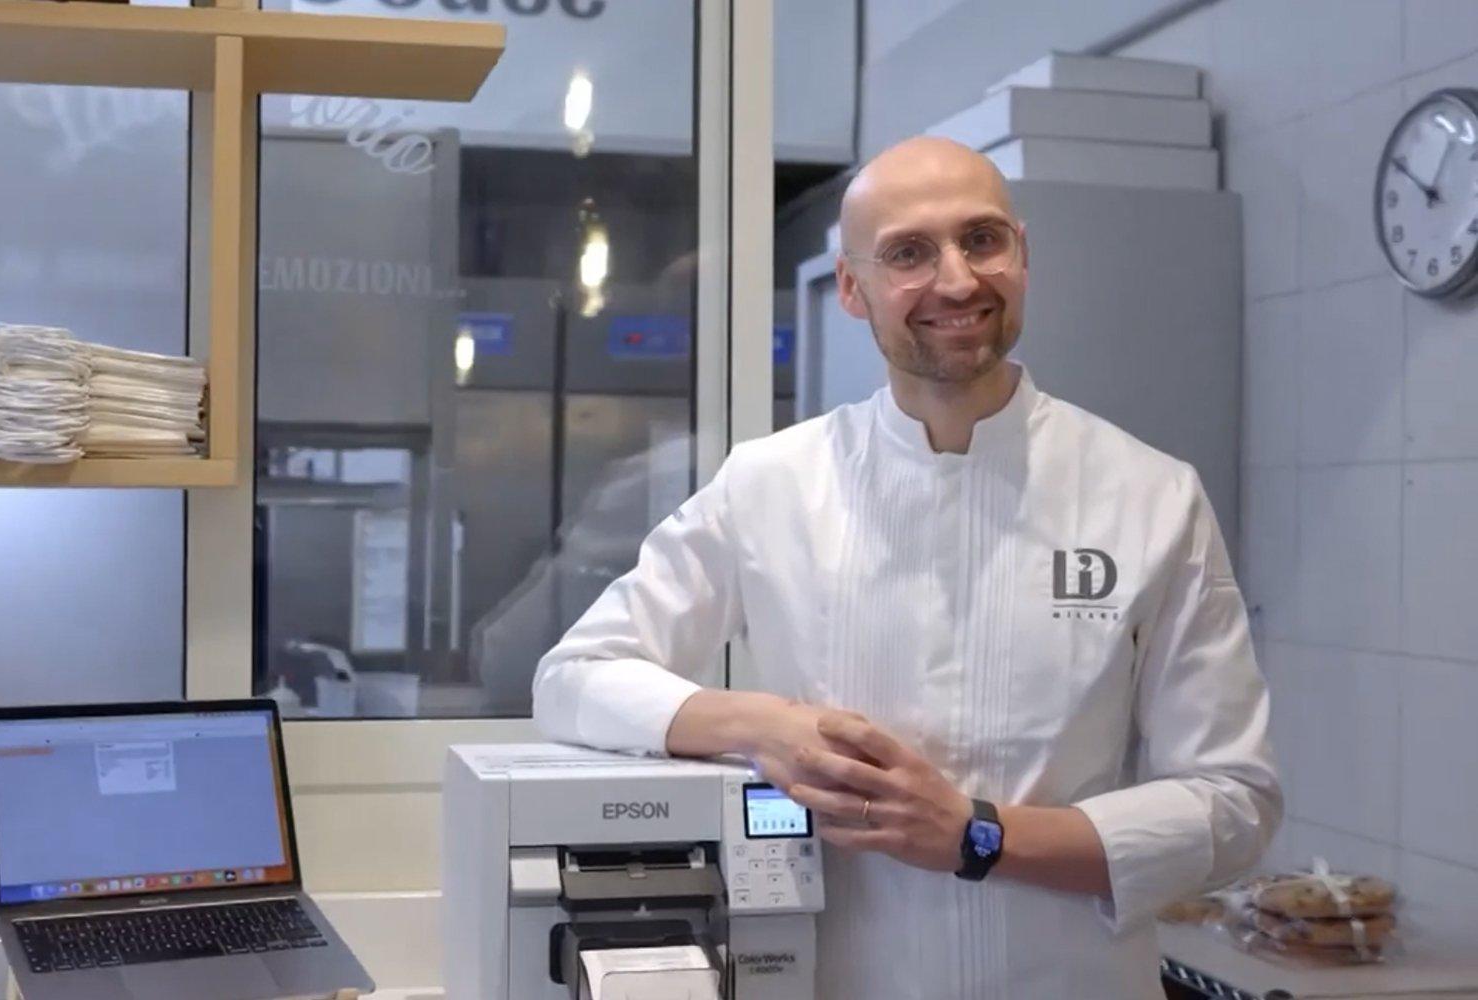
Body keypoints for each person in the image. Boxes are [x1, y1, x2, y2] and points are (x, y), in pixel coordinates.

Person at [531, 136, 1281, 997]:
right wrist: (757, 724)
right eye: (909, 254)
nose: (958, 281)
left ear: (1024, 257)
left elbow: (1234, 802)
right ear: (853, 289)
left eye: (983, 239)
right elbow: (574, 677)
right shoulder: (772, 485)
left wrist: (977, 837)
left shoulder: (1151, 496)